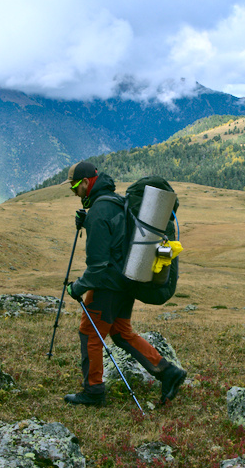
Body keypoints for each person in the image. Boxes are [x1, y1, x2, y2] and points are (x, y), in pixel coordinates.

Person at [63, 161, 187, 406]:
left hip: (107, 285)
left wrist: (76, 287)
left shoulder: (100, 210)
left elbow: (98, 268)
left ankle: (94, 391)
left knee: (90, 334)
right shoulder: (115, 201)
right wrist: (87, 221)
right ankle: (168, 372)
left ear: (86, 182)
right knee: (120, 332)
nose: (75, 193)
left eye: (74, 188)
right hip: (127, 281)